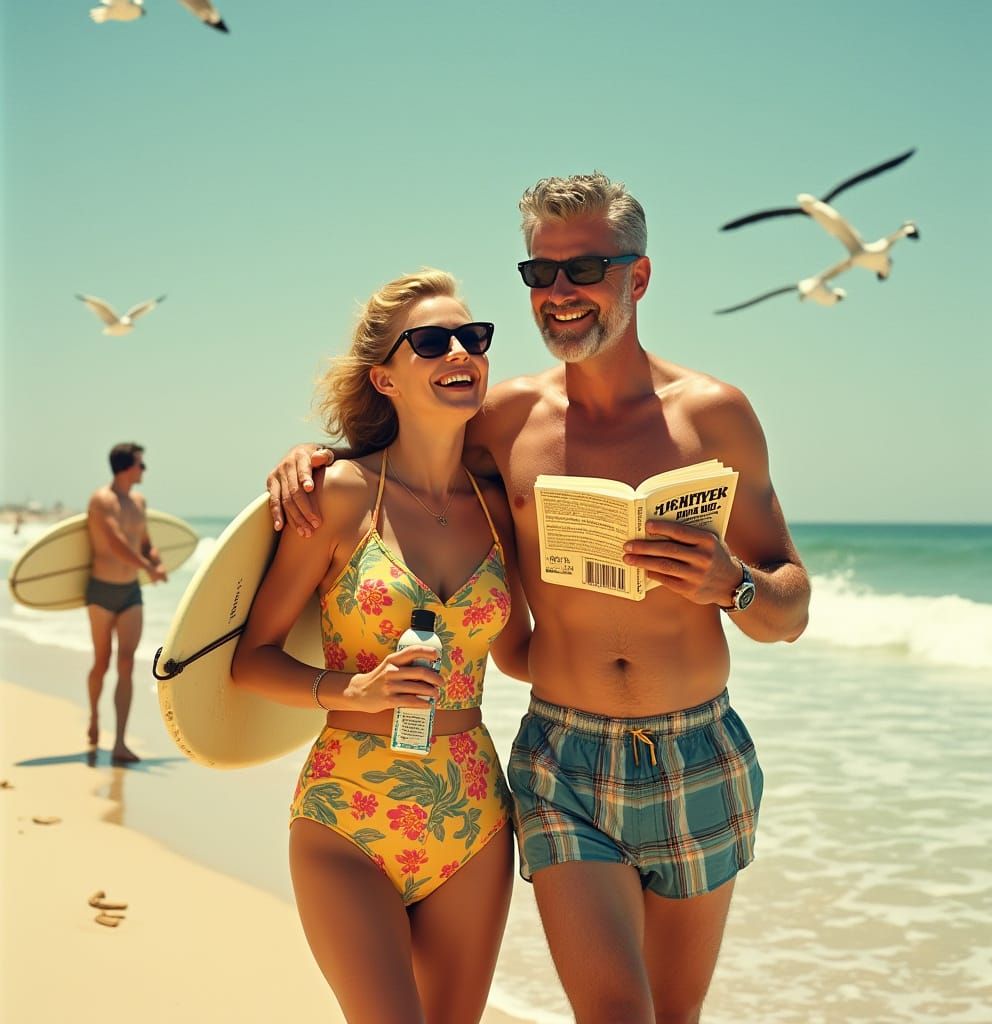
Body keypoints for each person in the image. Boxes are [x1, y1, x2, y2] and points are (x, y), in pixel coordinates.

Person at [267, 174, 811, 1024]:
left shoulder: (713, 415)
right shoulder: (506, 417)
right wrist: (310, 454)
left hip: (700, 747)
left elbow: (790, 606)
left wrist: (730, 584)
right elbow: (403, 457)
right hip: (563, 757)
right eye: (540, 275)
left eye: (584, 269)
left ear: (638, 277)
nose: (559, 294)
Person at [231, 269, 532, 1024]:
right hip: (347, 817)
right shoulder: (337, 495)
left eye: (474, 336)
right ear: (385, 378)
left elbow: (522, 654)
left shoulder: (500, 507)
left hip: (474, 819)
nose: (459, 350)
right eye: (431, 341)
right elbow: (251, 658)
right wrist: (351, 692)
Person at [85, 442, 166, 763]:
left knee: (127, 664)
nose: (144, 470)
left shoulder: (138, 501)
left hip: (130, 592)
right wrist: (148, 568)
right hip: (101, 592)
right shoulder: (101, 500)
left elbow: (144, 543)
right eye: (141, 465)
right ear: (126, 467)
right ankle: (93, 717)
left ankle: (119, 741)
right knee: (102, 662)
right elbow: (115, 543)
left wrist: (155, 561)